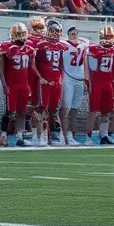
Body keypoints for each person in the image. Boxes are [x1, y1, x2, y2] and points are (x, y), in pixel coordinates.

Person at [31, 18, 67, 146]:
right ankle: (39, 135)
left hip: (56, 81)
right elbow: (32, 63)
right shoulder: (40, 45)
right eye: (52, 30)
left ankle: (55, 135)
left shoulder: (62, 46)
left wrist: (60, 78)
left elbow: (61, 64)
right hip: (44, 81)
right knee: (41, 108)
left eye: (57, 31)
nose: (55, 33)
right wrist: (40, 77)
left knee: (54, 109)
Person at [85, 27, 114, 145]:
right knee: (93, 110)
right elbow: (89, 66)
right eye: (105, 38)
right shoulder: (93, 49)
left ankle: (104, 135)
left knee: (107, 111)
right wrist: (87, 79)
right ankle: (88, 136)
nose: (107, 41)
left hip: (108, 82)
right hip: (97, 82)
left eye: (109, 38)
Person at [0, 22, 34, 146]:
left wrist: (29, 85)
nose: (20, 37)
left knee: (22, 111)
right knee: (9, 110)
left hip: (24, 84)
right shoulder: (7, 47)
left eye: (22, 34)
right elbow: (1, 66)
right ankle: (3, 136)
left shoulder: (29, 48)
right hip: (12, 84)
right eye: (18, 34)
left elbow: (31, 68)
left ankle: (20, 136)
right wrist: (4, 84)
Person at [59, 26, 88, 145]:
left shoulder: (84, 43)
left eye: (76, 33)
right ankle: (64, 135)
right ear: (68, 35)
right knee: (66, 108)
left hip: (79, 78)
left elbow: (85, 42)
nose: (74, 35)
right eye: (71, 33)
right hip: (68, 78)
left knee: (75, 109)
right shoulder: (63, 44)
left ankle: (72, 134)